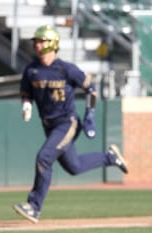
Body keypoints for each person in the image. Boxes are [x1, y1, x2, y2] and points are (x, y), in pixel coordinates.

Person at [13, 25, 128, 223]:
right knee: (74, 167)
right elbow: (26, 93)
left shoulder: (66, 69)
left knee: (44, 157)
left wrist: (90, 114)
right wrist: (26, 106)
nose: (37, 45)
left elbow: (92, 90)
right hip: (48, 125)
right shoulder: (31, 70)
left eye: (41, 41)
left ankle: (34, 206)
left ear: (53, 44)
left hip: (67, 122)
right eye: (36, 42)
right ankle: (109, 158)